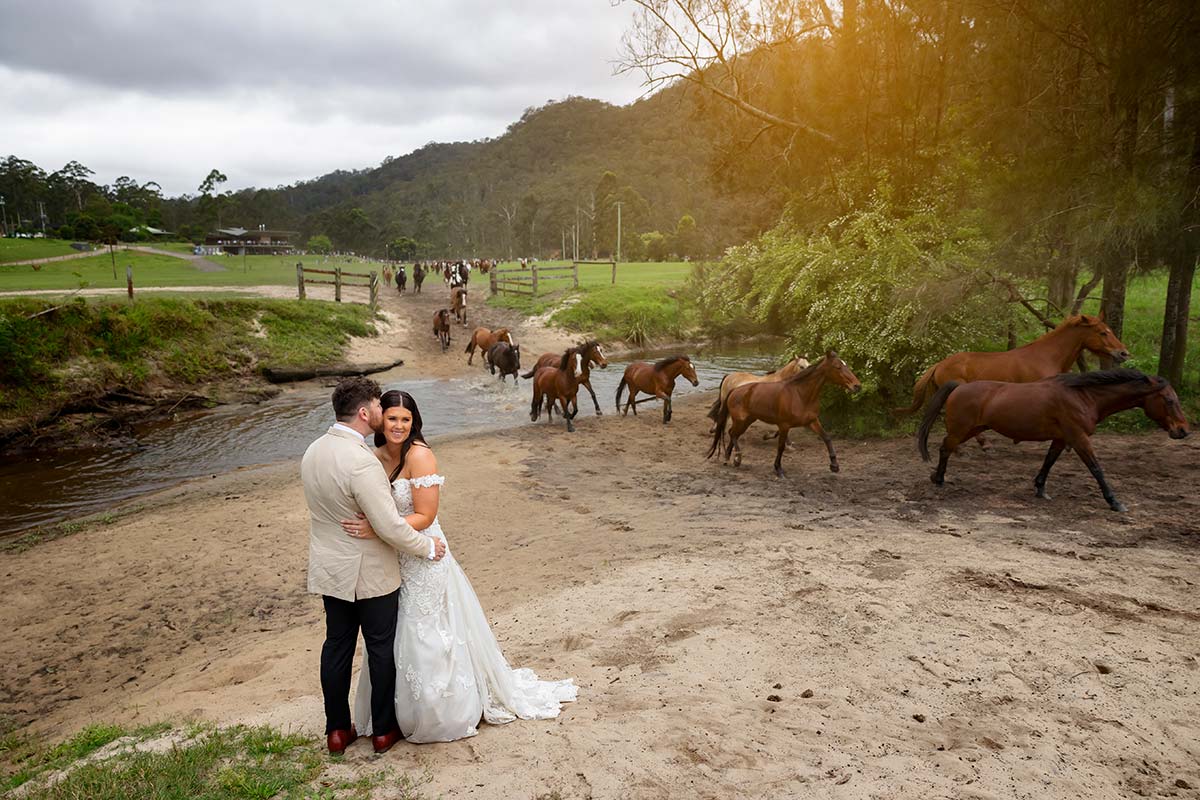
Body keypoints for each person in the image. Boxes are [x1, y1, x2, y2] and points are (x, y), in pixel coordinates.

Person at [345, 390, 577, 742]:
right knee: (393, 631)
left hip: (426, 555)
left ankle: (439, 712)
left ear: (414, 422)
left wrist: (378, 527)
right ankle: (388, 714)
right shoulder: (374, 457)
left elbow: (424, 515)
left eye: (406, 420)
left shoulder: (421, 456)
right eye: (392, 418)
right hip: (394, 557)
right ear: (380, 420)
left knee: (425, 629)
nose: (399, 426)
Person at [301, 377, 448, 756]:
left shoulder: (313, 451)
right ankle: (383, 730)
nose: (386, 416)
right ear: (366, 412)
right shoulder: (362, 461)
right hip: (370, 571)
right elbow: (387, 526)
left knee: (336, 646)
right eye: (381, 408)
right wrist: (427, 547)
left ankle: (336, 730)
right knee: (380, 648)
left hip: (330, 569)